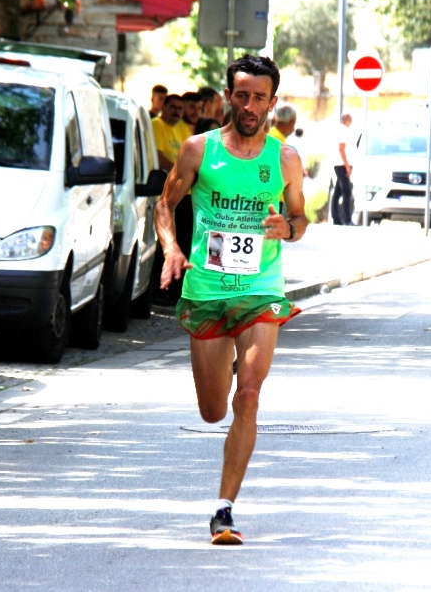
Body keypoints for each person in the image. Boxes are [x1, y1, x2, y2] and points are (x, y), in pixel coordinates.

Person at [154, 53, 307, 545]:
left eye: (259, 97)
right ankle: (235, 367)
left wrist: (289, 227)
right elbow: (165, 204)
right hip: (207, 291)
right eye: (241, 95)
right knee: (212, 410)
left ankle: (224, 510)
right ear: (227, 97)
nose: (249, 104)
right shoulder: (199, 151)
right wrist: (172, 248)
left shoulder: (284, 159)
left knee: (249, 396)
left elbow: (301, 220)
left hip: (261, 289)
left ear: (272, 102)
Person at [151, 93, 187, 172]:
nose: (176, 111)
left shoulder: (182, 128)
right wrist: (178, 171)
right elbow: (157, 157)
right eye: (173, 107)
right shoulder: (156, 124)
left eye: (180, 108)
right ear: (163, 107)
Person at [331, 113, 355, 225]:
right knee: (347, 192)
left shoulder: (338, 130)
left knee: (337, 192)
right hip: (342, 165)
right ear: (348, 120)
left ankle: (336, 219)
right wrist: (347, 166)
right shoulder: (344, 131)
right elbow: (341, 149)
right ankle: (347, 219)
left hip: (339, 164)